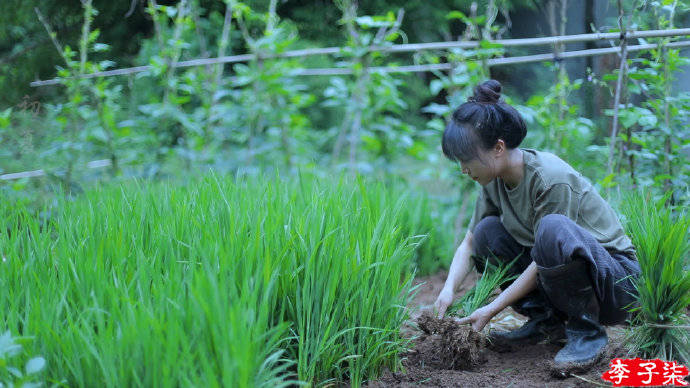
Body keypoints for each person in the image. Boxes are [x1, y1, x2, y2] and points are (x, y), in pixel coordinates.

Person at [433, 79, 641, 371]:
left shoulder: (549, 178)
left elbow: (544, 255)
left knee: (552, 228)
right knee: (485, 232)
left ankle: (587, 335)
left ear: (498, 148)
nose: (463, 169)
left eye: (467, 160)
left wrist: (492, 309)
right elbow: (469, 243)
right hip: (564, 280)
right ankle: (545, 324)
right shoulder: (493, 181)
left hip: (616, 284)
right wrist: (448, 290)